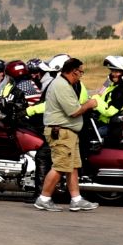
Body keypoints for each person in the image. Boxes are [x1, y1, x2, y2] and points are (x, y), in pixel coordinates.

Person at [36, 56, 99, 212]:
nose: (81, 75)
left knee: (72, 167)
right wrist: (90, 104)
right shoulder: (62, 86)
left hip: (68, 132)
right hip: (61, 132)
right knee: (60, 166)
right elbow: (74, 111)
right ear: (74, 72)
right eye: (81, 72)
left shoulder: (65, 85)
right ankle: (44, 198)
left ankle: (76, 199)